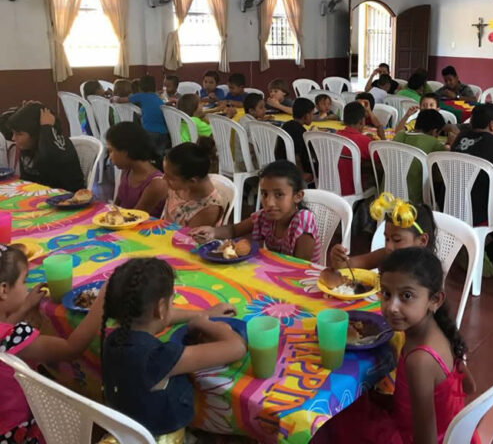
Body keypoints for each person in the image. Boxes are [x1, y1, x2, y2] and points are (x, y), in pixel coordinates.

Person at [312, 247, 478, 444]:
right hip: (456, 434)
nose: (392, 307)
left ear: (435, 300)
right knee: (359, 402)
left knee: (334, 418)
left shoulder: (420, 361)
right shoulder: (442, 330)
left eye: (406, 296)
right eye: (386, 294)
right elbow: (470, 386)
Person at [101, 257, 244, 441]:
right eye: (172, 301)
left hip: (127, 435)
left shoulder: (111, 340)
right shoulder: (157, 358)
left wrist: (204, 313)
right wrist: (204, 324)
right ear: (160, 308)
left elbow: (162, 316)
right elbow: (236, 347)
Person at [0, 245, 106, 443]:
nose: (27, 288)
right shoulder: (16, 336)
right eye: (24, 282)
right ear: (3, 289)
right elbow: (71, 348)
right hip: (19, 432)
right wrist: (101, 302)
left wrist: (23, 308)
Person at [190, 161, 322, 262]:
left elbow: (300, 266)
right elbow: (233, 230)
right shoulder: (265, 216)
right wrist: (213, 232)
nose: (269, 203)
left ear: (298, 196)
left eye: (279, 195)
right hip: (276, 270)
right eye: (264, 194)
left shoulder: (303, 220)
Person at [329, 193, 436, 270]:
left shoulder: (426, 273)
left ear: (422, 241)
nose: (388, 246)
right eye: (387, 238)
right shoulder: (387, 254)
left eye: (397, 240)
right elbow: (351, 264)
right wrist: (340, 261)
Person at [9, 103, 85, 192]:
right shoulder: (28, 148)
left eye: (19, 134)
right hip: (38, 198)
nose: (13, 138)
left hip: (67, 199)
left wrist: (46, 128)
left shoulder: (58, 147)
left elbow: (47, 159)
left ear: (37, 133)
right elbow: (26, 182)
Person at [107, 122, 167, 217]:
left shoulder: (156, 183)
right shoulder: (127, 171)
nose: (109, 157)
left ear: (125, 152)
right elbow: (117, 206)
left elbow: (135, 217)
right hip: (122, 223)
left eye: (111, 151)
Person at [162, 142, 226, 228]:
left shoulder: (208, 209)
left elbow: (188, 239)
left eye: (170, 178)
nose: (163, 178)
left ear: (192, 181)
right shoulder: (180, 186)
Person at [393, 110, 446, 203]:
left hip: (387, 195)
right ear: (434, 131)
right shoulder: (434, 143)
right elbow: (440, 175)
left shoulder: (399, 135)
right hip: (414, 201)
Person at [125, 74, 170, 155]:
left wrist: (115, 99)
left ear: (140, 87)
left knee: (147, 154)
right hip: (163, 133)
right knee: (159, 154)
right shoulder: (158, 98)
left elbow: (125, 99)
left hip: (149, 132)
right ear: (155, 86)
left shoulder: (141, 96)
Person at [338, 102, 375, 197]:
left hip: (331, 186)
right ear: (362, 121)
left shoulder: (335, 135)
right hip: (352, 190)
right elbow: (383, 159)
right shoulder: (364, 141)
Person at [277, 97, 315, 182]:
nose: (313, 117)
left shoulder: (286, 125)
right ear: (306, 116)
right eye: (312, 114)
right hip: (294, 170)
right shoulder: (300, 131)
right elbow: (296, 156)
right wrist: (301, 175)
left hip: (281, 166)